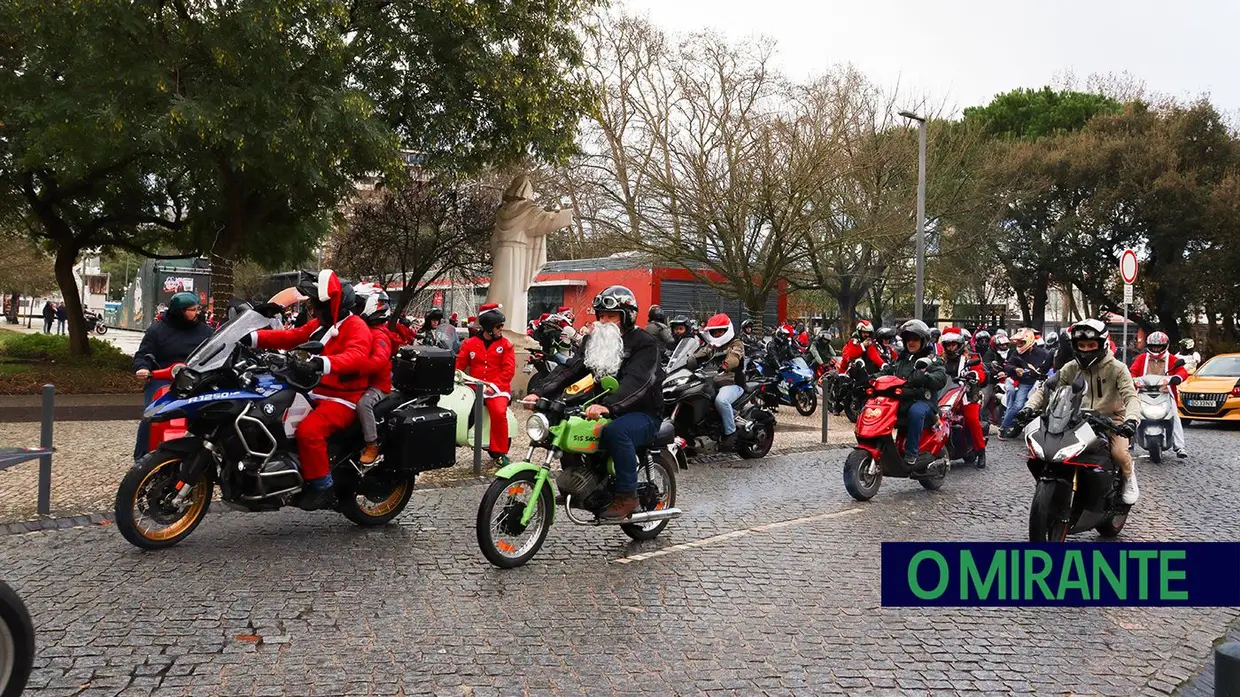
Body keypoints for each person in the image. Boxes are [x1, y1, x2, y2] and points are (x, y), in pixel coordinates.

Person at [522, 286, 663, 520]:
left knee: (616, 431)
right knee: (562, 421)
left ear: (627, 316)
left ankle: (627, 495)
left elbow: (638, 381)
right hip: (604, 405)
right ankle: (579, 482)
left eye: (612, 316)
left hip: (642, 412)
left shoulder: (645, 343)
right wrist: (540, 393)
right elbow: (571, 368)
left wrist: (609, 405)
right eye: (602, 316)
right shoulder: (594, 340)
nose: (604, 321)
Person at [242, 270, 373, 509]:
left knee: (309, 431)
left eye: (316, 303)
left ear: (333, 305)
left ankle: (323, 486)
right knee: (271, 412)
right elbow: (290, 336)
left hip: (343, 397)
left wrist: (321, 363)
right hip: (313, 390)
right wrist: (250, 338)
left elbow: (356, 356)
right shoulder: (320, 325)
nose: (312, 308)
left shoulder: (356, 326)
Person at [1020, 319, 1141, 504]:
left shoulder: (1118, 369)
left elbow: (1131, 397)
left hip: (1111, 419)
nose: (1085, 350)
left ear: (1103, 344)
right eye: (1081, 345)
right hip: (1076, 417)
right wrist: (1029, 407)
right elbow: (1047, 389)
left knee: (1118, 453)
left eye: (1091, 345)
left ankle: (1129, 477)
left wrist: (1130, 420)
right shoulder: (1071, 367)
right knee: (1051, 449)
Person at [132, 292, 215, 460]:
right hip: (163, 378)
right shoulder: (157, 330)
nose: (197, 313)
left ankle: (209, 456)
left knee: (212, 413)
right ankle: (141, 459)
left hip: (195, 379)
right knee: (152, 414)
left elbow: (216, 351)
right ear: (179, 311)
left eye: (197, 309)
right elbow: (144, 354)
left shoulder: (206, 331)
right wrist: (143, 367)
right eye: (192, 309)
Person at [455, 303, 516, 466]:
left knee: (499, 412)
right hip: (473, 386)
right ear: (488, 328)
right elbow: (459, 365)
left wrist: (493, 387)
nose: (501, 329)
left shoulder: (506, 345)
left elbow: (508, 370)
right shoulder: (469, 343)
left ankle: (501, 452)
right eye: (498, 326)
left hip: (498, 388)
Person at [880, 320, 948, 467]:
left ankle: (912, 454)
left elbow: (940, 378)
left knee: (916, 412)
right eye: (908, 339)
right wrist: (868, 378)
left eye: (915, 339)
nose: (911, 342)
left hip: (924, 401)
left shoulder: (932, 359)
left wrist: (925, 377)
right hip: (903, 398)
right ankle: (882, 448)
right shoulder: (901, 359)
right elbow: (887, 372)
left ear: (923, 341)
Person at [688, 314, 747, 451]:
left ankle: (730, 433)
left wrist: (726, 364)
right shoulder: (712, 346)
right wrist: (688, 359)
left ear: (727, 330)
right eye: (714, 332)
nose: (717, 334)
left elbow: (735, 357)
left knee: (721, 401)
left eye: (720, 331)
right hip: (712, 382)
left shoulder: (736, 343)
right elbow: (701, 353)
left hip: (732, 383)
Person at [1128, 331, 1189, 458]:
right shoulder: (1141, 358)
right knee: (1131, 414)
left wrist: (1177, 378)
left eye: (1159, 347)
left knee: (1175, 416)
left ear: (1165, 346)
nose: (1156, 349)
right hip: (1143, 392)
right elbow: (1132, 372)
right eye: (1153, 346)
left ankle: (1179, 447)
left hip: (1165, 393)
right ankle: (1128, 442)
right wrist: (1133, 380)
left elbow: (1182, 371)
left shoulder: (1172, 358)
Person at [352, 285, 395, 465]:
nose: (354, 308)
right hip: (360, 381)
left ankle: (372, 444)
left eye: (358, 304)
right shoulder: (361, 329)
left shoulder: (380, 335)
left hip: (378, 385)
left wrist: (355, 368)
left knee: (363, 404)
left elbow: (379, 360)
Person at [938, 329, 988, 459]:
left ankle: (981, 451)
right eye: (948, 345)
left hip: (967, 394)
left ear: (960, 344)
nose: (950, 348)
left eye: (953, 345)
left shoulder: (970, 357)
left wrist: (974, 375)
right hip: (945, 394)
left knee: (972, 419)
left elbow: (980, 373)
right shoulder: (940, 359)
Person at [999, 328, 1051, 439]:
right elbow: (1007, 366)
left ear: (1029, 341)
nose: (1019, 344)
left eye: (1021, 342)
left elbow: (1051, 365)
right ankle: (1003, 428)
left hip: (1041, 382)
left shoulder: (1042, 353)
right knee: (1018, 405)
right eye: (1018, 342)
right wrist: (1015, 369)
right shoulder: (1016, 353)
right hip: (1025, 383)